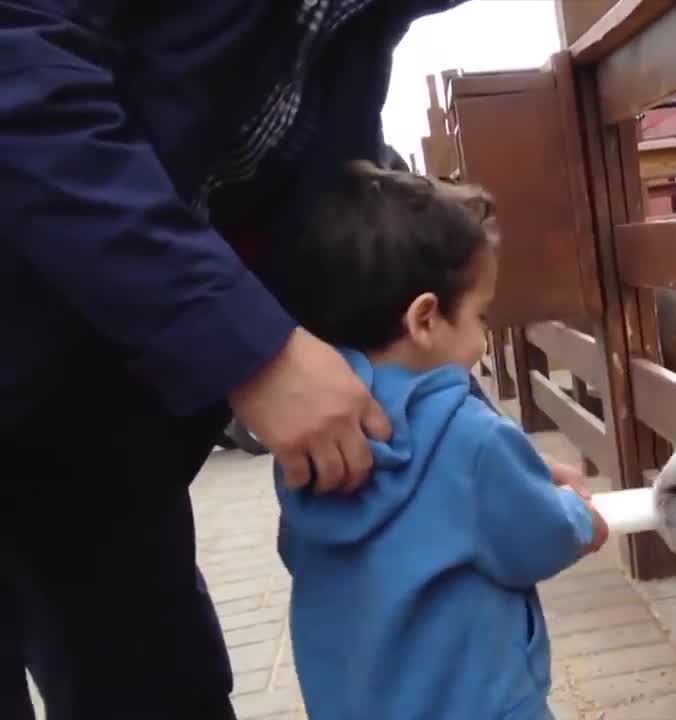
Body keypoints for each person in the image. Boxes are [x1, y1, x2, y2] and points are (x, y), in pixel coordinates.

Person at [0, 1, 588, 717]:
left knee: (153, 683)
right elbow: (21, 70)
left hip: (103, 412)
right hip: (62, 334)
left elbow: (350, 262)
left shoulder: (350, 29)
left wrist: (463, 434)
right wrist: (250, 349)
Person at [272, 160, 610, 720]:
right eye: (481, 315)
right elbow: (536, 536)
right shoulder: (468, 434)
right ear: (425, 319)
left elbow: (296, 550)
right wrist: (577, 515)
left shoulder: (316, 436)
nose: (483, 338)